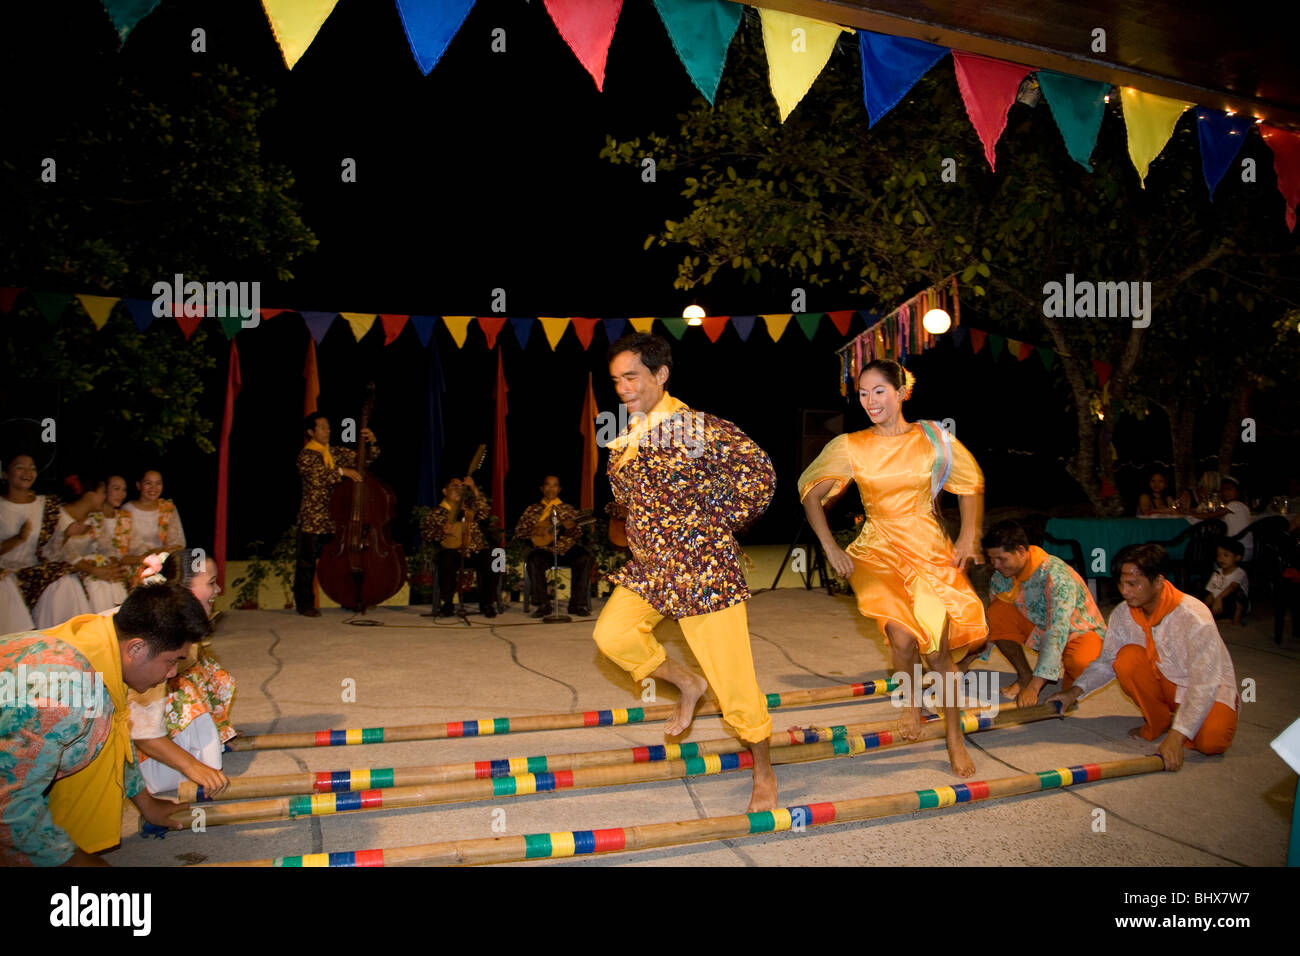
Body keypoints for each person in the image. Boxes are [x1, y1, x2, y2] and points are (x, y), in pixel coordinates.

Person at [592, 333, 778, 811]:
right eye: (617, 380)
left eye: (632, 376)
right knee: (612, 637)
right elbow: (643, 496)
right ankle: (689, 684)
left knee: (734, 678)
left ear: (661, 375)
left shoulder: (691, 427)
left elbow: (758, 474)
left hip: (701, 569)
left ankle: (763, 768)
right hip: (651, 568)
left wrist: (714, 523)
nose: (623, 388)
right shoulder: (626, 438)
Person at [800, 359, 987, 777]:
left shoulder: (932, 438)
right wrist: (831, 548)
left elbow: (971, 482)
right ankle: (911, 705)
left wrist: (969, 536)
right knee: (901, 639)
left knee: (937, 650)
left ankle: (954, 739)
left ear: (903, 392)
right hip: (876, 551)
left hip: (927, 548)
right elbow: (812, 494)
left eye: (879, 391)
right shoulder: (851, 445)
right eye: (863, 394)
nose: (869, 401)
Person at [0, 584, 208, 865]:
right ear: (136, 648)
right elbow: (9, 805)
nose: (172, 673)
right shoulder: (64, 693)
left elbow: (115, 733)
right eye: (172, 661)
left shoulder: (104, 641)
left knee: (98, 726)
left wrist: (146, 803)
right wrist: (72, 861)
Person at [1048, 543, 1238, 771]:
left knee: (1211, 744)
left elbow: (1204, 683)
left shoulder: (1194, 617)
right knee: (1126, 658)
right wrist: (1073, 693)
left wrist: (1177, 738)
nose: (1125, 591)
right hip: (1166, 683)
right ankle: (1159, 722)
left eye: (1133, 584)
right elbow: (1106, 663)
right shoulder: (1122, 613)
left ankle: (1180, 724)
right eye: (1121, 583)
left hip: (1207, 687)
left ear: (1158, 581)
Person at [127, 549, 235, 797]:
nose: (218, 590)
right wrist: (191, 766)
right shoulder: (156, 636)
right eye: (210, 583)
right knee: (182, 684)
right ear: (183, 590)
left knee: (200, 672)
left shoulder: (170, 626)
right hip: (142, 743)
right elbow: (141, 727)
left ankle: (202, 746)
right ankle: (172, 765)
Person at [974, 520, 1105, 708]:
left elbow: (1057, 631)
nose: (995, 565)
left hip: (1078, 632)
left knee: (1081, 664)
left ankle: (1063, 683)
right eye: (991, 559)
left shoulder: (1056, 576)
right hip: (1041, 630)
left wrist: (1035, 688)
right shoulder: (1001, 576)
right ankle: (1025, 676)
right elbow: (992, 625)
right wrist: (964, 662)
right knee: (997, 612)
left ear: (1020, 550)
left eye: (1001, 559)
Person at [293, 412, 378, 617]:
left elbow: (361, 460)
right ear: (311, 432)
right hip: (313, 519)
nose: (327, 431)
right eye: (322, 427)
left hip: (335, 519)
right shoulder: (307, 455)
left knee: (341, 562)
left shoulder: (333, 452)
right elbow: (318, 476)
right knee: (307, 563)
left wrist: (370, 443)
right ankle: (305, 604)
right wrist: (342, 472)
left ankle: (347, 598)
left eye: (328, 427)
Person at [0, 453, 91, 631]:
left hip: (35, 571)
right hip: (6, 572)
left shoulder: (46, 505)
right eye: (20, 467)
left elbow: (51, 553)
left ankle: (65, 639)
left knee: (65, 579)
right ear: (5, 473)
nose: (27, 472)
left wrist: (66, 534)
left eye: (32, 468)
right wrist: (17, 539)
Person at [42, 475, 131, 613]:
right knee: (97, 584)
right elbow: (60, 554)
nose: (105, 496)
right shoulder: (58, 516)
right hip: (68, 572)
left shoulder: (95, 517)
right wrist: (93, 570)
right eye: (102, 493)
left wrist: (112, 566)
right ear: (90, 495)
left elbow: (106, 547)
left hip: (93, 569)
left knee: (110, 580)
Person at [514, 475, 594, 617]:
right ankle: (543, 605)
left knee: (584, 557)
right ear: (542, 488)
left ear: (559, 489)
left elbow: (578, 533)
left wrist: (570, 528)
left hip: (566, 548)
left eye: (555, 485)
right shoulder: (532, 509)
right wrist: (535, 531)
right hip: (544, 550)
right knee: (533, 560)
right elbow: (519, 532)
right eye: (548, 485)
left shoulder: (568, 509)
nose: (551, 488)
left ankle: (577, 604)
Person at [421, 475, 497, 618]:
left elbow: (485, 512)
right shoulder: (437, 512)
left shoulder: (469, 509)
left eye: (461, 487)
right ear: (444, 491)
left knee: (497, 556)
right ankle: (448, 604)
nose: (458, 489)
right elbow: (426, 534)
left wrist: (473, 488)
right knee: (446, 558)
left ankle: (487, 603)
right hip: (452, 552)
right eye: (454, 486)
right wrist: (442, 531)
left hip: (475, 551)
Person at [124, 469, 186, 559]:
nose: (153, 488)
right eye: (148, 483)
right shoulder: (127, 510)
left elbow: (177, 542)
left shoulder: (168, 508)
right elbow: (126, 547)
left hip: (164, 559)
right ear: (138, 485)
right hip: (136, 561)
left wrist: (163, 555)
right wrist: (151, 555)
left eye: (158, 483)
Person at [1203, 537, 1248, 625]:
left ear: (1237, 558)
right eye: (1218, 555)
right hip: (1221, 603)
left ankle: (1236, 619)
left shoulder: (1240, 572)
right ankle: (1221, 617)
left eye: (1226, 555)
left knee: (1238, 593)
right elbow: (1213, 589)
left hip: (1235, 603)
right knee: (1206, 597)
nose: (1221, 559)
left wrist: (1219, 599)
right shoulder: (1218, 572)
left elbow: (1232, 587)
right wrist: (1210, 599)